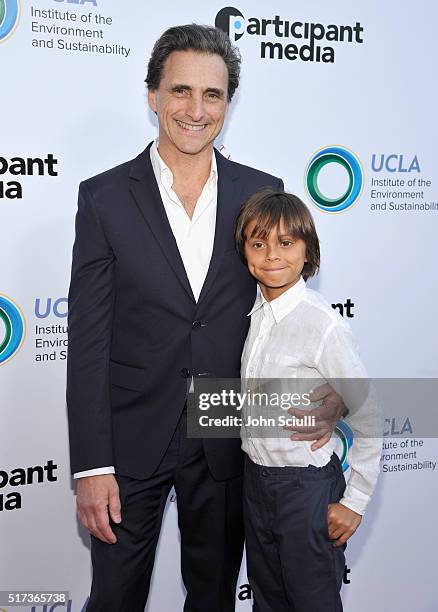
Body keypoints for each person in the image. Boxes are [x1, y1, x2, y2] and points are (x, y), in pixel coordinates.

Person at [67, 25, 345, 612]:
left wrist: (328, 397)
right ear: (152, 96)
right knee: (114, 597)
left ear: (228, 103)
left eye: (212, 95)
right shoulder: (104, 198)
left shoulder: (260, 193)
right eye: (180, 91)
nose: (196, 110)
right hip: (130, 438)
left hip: (225, 436)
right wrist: (91, 465)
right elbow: (87, 342)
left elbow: (283, 320)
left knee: (214, 597)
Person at [234, 188, 382, 612]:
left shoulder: (322, 325)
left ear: (306, 250)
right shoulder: (253, 314)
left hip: (306, 487)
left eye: (286, 243)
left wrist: (354, 502)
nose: (271, 255)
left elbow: (369, 414)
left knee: (312, 601)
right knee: (268, 601)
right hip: (256, 483)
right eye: (258, 243)